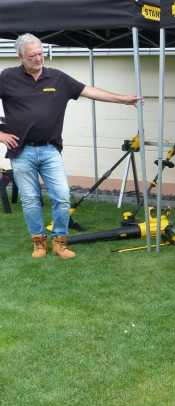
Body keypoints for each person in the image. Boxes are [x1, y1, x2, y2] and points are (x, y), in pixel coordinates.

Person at [0, 33, 143, 259]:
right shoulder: (6, 77)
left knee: (62, 195)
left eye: (41, 53)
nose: (39, 58)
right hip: (22, 150)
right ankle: (39, 243)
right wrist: (0, 135)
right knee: (30, 199)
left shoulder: (57, 78)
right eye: (33, 55)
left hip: (50, 149)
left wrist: (123, 99)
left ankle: (60, 242)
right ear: (21, 57)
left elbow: (89, 91)